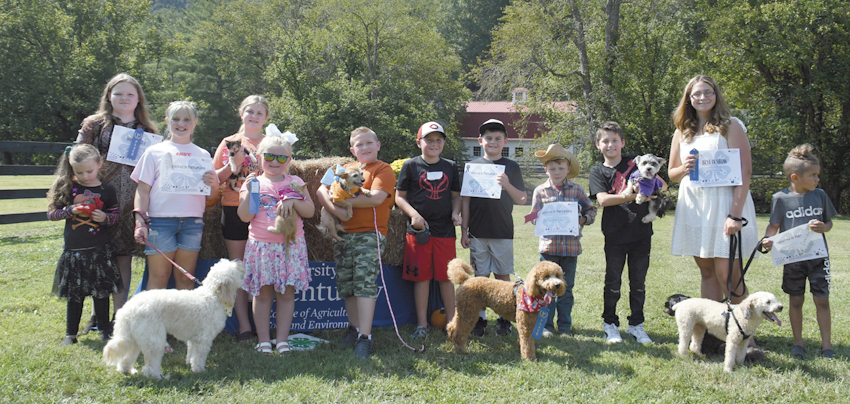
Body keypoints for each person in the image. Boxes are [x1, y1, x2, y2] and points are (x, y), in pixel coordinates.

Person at [667, 75, 761, 351]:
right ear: (689, 98)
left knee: (728, 275)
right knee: (707, 271)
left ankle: (747, 339)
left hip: (724, 203)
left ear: (716, 95)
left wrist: (735, 214)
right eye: (697, 94)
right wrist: (685, 167)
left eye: (708, 92)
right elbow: (672, 173)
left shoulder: (730, 126)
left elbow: (745, 172)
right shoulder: (682, 130)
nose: (702, 97)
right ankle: (713, 335)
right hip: (695, 206)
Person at [75, 73, 158, 330]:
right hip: (98, 202)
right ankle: (97, 316)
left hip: (131, 204)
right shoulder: (94, 125)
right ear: (109, 96)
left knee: (123, 258)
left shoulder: (148, 131)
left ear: (138, 99)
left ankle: (120, 318)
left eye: (130, 94)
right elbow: (76, 158)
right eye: (118, 93)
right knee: (98, 258)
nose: (124, 98)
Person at [315, 127, 395, 359]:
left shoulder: (383, 169)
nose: (365, 148)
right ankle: (354, 328)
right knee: (347, 284)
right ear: (352, 149)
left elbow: (377, 198)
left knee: (364, 283)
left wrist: (336, 202)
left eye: (370, 143)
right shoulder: (343, 168)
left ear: (378, 145)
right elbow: (321, 190)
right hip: (344, 234)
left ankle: (365, 337)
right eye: (359, 145)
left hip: (369, 233)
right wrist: (332, 208)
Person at [237, 132, 314, 355]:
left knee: (286, 294)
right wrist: (251, 192)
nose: (275, 162)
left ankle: (281, 341)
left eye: (282, 158)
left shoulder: (296, 182)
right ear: (260, 157)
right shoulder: (254, 182)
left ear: (289, 161)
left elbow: (309, 212)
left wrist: (293, 199)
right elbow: (245, 216)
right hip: (261, 247)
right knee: (261, 295)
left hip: (291, 246)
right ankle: (263, 341)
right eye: (270, 156)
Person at [589, 121, 666, 344]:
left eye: (615, 140)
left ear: (622, 142)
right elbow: (603, 200)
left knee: (638, 283)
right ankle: (610, 324)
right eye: (605, 141)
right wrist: (635, 195)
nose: (610, 145)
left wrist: (652, 186)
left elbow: (662, 185)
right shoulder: (598, 171)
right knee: (613, 281)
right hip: (614, 234)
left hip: (641, 233)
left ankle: (636, 325)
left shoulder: (636, 162)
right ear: (598, 145)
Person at [131, 101, 219, 291]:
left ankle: (182, 321)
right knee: (159, 278)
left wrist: (214, 184)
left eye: (187, 119)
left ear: (195, 122)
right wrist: (140, 220)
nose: (181, 123)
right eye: (176, 119)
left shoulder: (203, 155)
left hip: (192, 223)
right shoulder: (153, 152)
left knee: (186, 280)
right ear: (167, 121)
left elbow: (211, 199)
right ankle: (152, 321)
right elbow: (142, 191)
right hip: (160, 222)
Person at [762, 144, 836, 359]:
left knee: (822, 300)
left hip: (818, 259)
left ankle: (827, 346)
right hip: (793, 260)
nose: (817, 179)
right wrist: (768, 239)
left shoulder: (820, 195)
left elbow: (829, 222)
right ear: (795, 177)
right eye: (813, 175)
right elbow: (773, 226)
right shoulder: (780, 199)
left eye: (817, 175)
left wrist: (825, 227)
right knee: (795, 300)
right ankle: (798, 343)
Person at [47, 143, 123, 344]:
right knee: (75, 295)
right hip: (74, 252)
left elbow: (115, 216)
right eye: (79, 172)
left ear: (99, 164)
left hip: (100, 250)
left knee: (102, 294)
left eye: (89, 171)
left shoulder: (107, 190)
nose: (85, 176)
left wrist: (104, 218)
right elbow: (52, 213)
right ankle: (70, 334)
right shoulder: (68, 187)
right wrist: (69, 211)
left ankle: (105, 331)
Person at [460, 119, 526, 337]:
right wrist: (464, 231)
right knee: (480, 278)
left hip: (502, 232)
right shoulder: (473, 166)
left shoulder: (512, 166)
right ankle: (480, 319)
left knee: (503, 276)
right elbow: (466, 202)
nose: (493, 142)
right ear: (480, 141)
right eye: (488, 138)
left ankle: (504, 318)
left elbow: (523, 199)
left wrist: (506, 184)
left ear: (505, 141)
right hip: (478, 233)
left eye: (498, 138)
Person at [395, 121, 462, 339]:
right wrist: (413, 215)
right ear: (418, 143)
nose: (434, 144)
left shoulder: (451, 166)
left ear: (443, 143)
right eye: (429, 140)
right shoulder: (410, 166)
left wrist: (455, 212)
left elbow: (456, 196)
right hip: (419, 232)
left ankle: (452, 323)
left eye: (438, 140)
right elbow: (399, 197)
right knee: (422, 278)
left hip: (445, 231)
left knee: (446, 277)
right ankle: (422, 325)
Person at [213, 95, 270, 344]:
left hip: (266, 211)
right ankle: (244, 327)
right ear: (241, 113)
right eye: (250, 111)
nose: (254, 116)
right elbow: (215, 178)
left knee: (262, 269)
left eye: (260, 113)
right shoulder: (230, 142)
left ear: (266, 117)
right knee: (239, 269)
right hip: (234, 208)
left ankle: (263, 326)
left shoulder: (272, 142)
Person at [528, 144, 596, 337]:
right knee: (545, 289)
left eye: (560, 168)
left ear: (568, 169)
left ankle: (565, 326)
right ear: (546, 170)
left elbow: (591, 209)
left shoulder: (577, 190)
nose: (556, 172)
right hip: (548, 249)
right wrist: (537, 219)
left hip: (571, 249)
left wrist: (582, 219)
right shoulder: (540, 191)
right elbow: (533, 217)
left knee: (567, 289)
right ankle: (547, 326)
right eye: (552, 169)